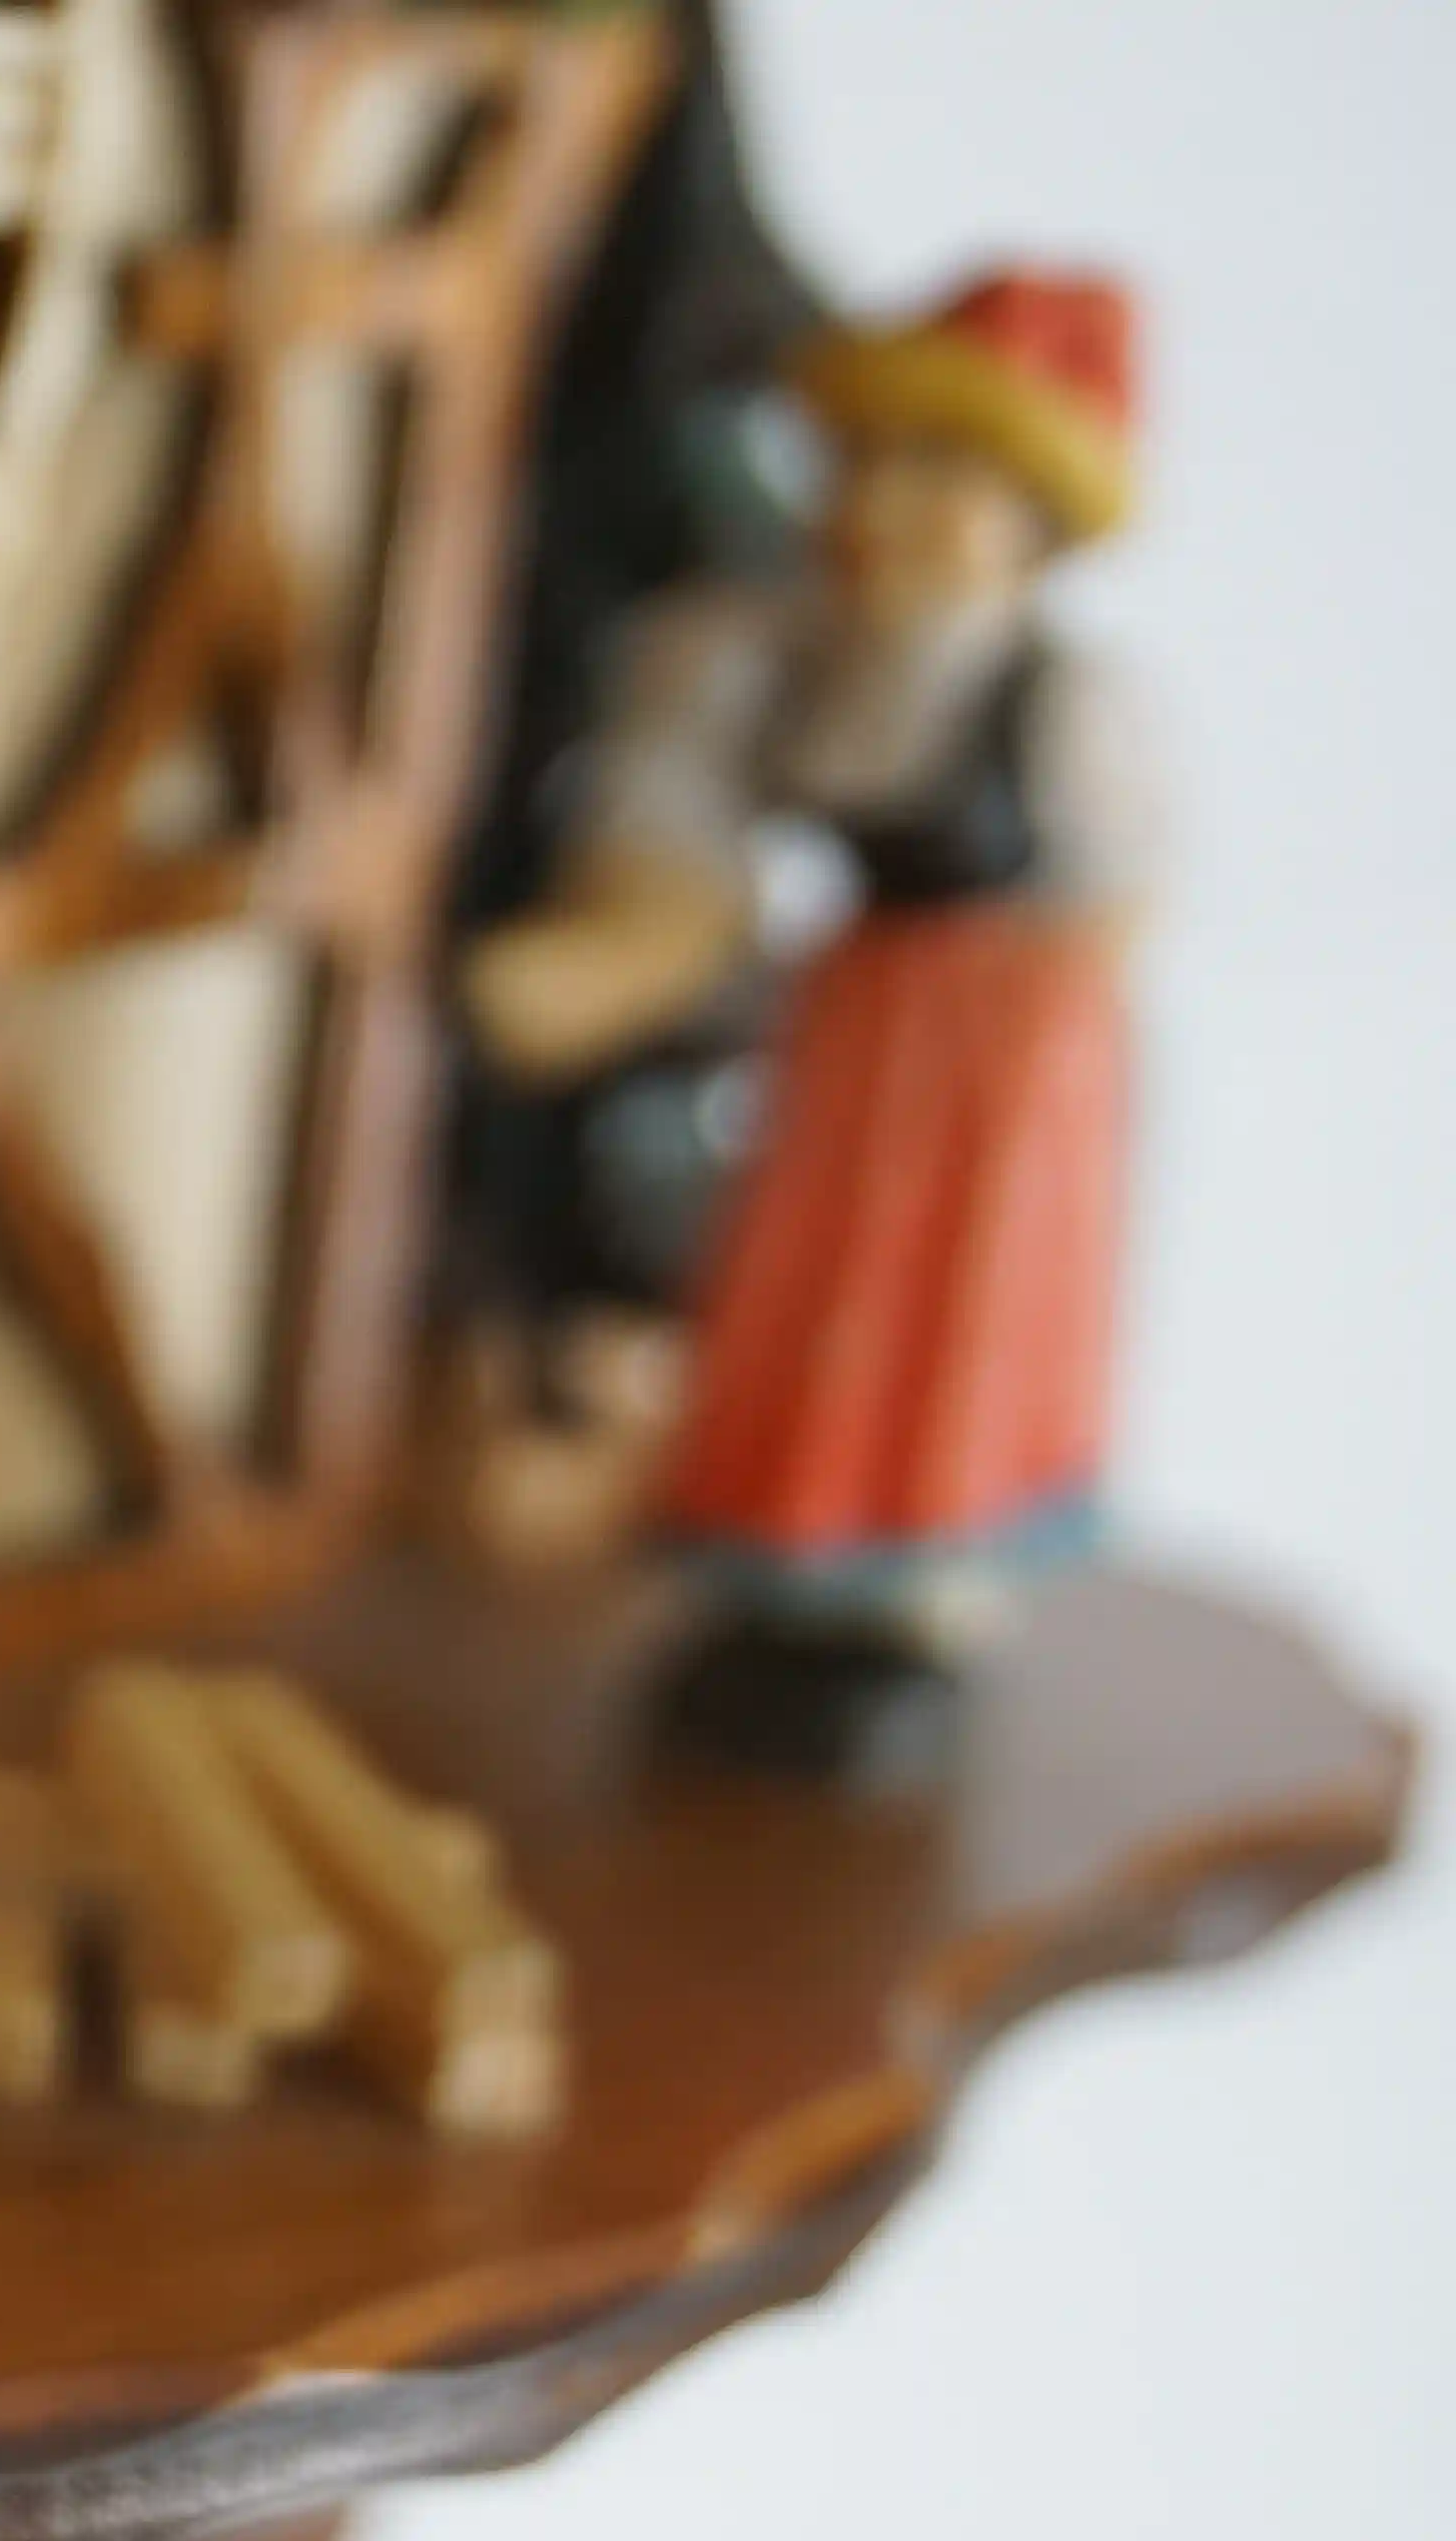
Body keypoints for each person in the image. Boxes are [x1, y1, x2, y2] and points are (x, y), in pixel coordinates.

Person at [463, 265, 1150, 1768]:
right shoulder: (813, 664)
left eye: (943, 481)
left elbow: (1117, 898)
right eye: (872, 471)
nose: (889, 514)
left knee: (948, 1315)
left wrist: (1023, 1052)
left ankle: (918, 1579)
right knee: (803, 1292)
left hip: (999, 1066)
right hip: (855, 1042)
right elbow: (701, 818)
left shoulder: (1058, 703)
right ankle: (788, 1549)